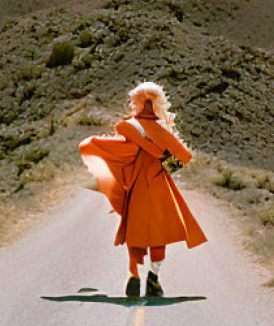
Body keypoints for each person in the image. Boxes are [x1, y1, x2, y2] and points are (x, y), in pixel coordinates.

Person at [79, 81, 207, 298]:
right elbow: (185, 157)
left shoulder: (128, 127)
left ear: (138, 102)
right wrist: (163, 163)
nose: (133, 104)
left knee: (136, 234)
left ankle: (134, 275)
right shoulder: (163, 131)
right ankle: (153, 279)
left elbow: (117, 152)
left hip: (138, 187)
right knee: (159, 235)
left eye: (135, 100)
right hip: (160, 187)